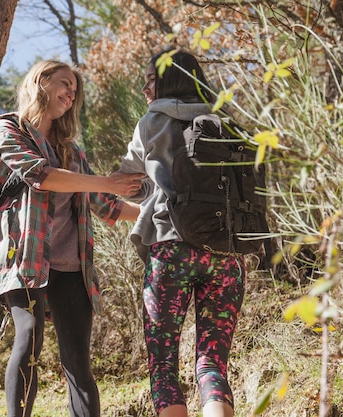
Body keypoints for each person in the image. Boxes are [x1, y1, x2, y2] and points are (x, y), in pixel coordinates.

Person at [0, 60, 144, 417]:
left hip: (73, 268)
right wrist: (105, 181)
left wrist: (159, 212)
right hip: (24, 261)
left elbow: (106, 206)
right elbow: (39, 175)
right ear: (41, 82)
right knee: (28, 341)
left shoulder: (72, 151)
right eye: (64, 83)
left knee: (78, 362)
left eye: (74, 90)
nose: (71, 94)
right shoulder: (7, 129)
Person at [118, 48, 245, 417]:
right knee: (212, 363)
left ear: (167, 80)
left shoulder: (152, 122)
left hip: (171, 252)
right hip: (226, 254)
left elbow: (129, 180)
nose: (144, 88)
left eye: (149, 80)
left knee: (163, 366)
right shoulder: (225, 118)